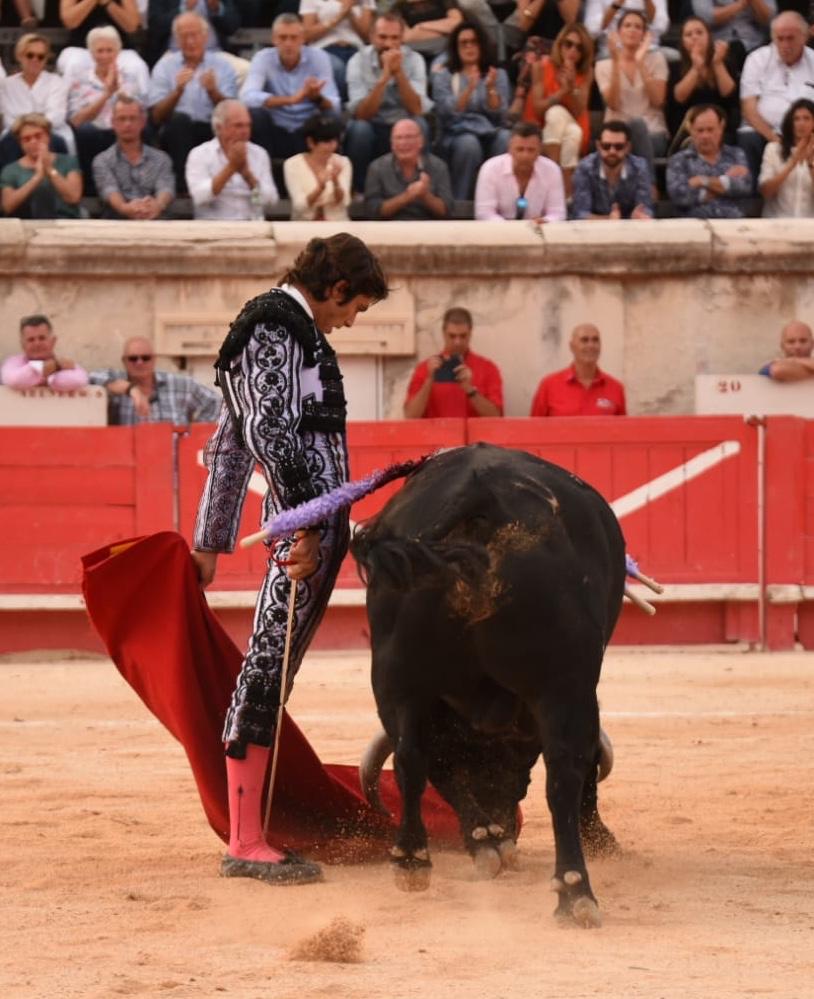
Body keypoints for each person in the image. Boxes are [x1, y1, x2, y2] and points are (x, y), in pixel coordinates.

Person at [189, 233, 390, 885]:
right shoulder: (272, 325)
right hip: (301, 535)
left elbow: (228, 443)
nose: (352, 319)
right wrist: (302, 526)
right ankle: (246, 841)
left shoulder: (293, 328)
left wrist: (212, 543)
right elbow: (261, 431)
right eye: (354, 305)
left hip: (314, 529)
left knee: (271, 673)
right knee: (265, 675)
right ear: (335, 288)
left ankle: (252, 831)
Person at [147, 11, 238, 189]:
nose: (190, 41)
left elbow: (232, 111)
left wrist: (213, 92)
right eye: (184, 36)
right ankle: (184, 186)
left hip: (213, 129)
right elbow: (156, 117)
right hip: (176, 132)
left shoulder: (223, 65)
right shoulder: (164, 66)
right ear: (176, 39)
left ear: (205, 36)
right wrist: (177, 91)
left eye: (194, 35)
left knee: (227, 125)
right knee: (179, 121)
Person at [344, 11, 433, 193]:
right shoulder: (357, 61)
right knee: (359, 129)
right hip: (372, 125)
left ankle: (418, 187)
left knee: (421, 125)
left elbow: (416, 109)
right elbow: (362, 113)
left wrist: (398, 73)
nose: (388, 44)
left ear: (402, 38)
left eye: (395, 38)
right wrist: (384, 78)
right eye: (382, 37)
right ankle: (360, 190)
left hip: (403, 124)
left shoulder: (415, 60)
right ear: (371, 37)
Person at [240, 14, 341, 169]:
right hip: (275, 129)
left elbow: (335, 105)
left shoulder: (319, 58)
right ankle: (263, 173)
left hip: (308, 129)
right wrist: (291, 100)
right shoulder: (263, 58)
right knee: (255, 115)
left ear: (303, 39)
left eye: (294, 38)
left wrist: (317, 98)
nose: (288, 43)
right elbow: (246, 97)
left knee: (330, 117)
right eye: (283, 37)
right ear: (274, 39)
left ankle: (329, 175)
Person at [430, 20, 510, 202]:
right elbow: (445, 112)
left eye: (473, 42)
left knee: (505, 138)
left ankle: (500, 201)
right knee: (469, 144)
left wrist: (490, 88)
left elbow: (500, 113)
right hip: (456, 133)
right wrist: (468, 89)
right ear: (455, 48)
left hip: (490, 131)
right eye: (463, 43)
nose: (469, 47)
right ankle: (461, 202)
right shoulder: (444, 76)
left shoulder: (497, 75)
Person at [738, 12, 814, 187]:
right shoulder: (756, 59)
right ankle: (755, 194)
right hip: (765, 131)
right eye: (780, 39)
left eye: (790, 38)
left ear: (804, 37)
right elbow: (749, 109)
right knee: (748, 136)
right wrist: (775, 139)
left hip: (807, 133)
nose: (785, 45)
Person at [67, 26, 146, 192]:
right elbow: (76, 120)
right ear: (91, 53)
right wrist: (106, 95)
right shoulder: (79, 80)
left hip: (120, 131)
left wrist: (117, 91)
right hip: (92, 133)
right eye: (99, 51)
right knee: (86, 131)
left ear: (118, 52)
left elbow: (139, 113)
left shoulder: (129, 79)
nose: (104, 56)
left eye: (109, 50)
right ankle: (90, 188)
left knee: (138, 129)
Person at [595, 9, 669, 172]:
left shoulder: (657, 60)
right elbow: (612, 104)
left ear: (644, 34)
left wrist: (640, 62)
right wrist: (615, 63)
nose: (632, 30)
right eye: (627, 25)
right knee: (622, 141)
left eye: (638, 27)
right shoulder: (603, 65)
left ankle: (648, 184)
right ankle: (649, 185)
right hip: (616, 135)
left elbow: (658, 100)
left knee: (638, 125)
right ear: (619, 32)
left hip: (653, 133)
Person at [525, 21, 594, 198]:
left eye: (579, 48)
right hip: (541, 126)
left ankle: (551, 183)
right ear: (560, 44)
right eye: (568, 44)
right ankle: (566, 195)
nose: (572, 51)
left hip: (574, 120)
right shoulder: (540, 67)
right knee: (570, 131)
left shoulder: (586, 72)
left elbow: (579, 111)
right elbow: (539, 108)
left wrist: (571, 88)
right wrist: (562, 92)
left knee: (564, 120)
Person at [88, 336, 222, 424]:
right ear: (124, 361)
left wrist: (195, 432)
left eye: (145, 358)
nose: (139, 363)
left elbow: (218, 403)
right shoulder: (118, 384)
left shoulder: (180, 384)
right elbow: (90, 378)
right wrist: (130, 389)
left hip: (174, 462)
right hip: (133, 463)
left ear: (154, 359)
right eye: (133, 358)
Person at [186, 99, 278, 220]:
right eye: (238, 125)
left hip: (251, 228)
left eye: (248, 125)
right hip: (212, 228)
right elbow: (200, 197)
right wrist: (231, 168)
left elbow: (270, 201)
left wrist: (248, 176)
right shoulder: (199, 154)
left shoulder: (259, 154)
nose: (245, 131)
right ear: (219, 128)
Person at [403, 306, 503, 418]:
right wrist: (429, 381)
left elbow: (496, 417)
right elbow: (410, 416)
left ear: (470, 333)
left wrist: (470, 389)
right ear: (444, 333)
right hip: (437, 435)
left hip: (476, 436)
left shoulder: (488, 369)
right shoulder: (425, 369)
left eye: (463, 336)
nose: (457, 342)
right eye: (452, 336)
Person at [92, 94, 176, 219]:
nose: (127, 124)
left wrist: (157, 205)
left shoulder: (161, 159)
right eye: (122, 119)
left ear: (142, 122)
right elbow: (109, 190)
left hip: (155, 220)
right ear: (113, 122)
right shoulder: (102, 161)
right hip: (117, 222)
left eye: (133, 118)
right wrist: (125, 208)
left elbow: (166, 187)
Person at [667, 103, 752, 217]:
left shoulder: (736, 155)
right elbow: (680, 196)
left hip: (732, 226)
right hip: (694, 228)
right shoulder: (679, 160)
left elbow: (744, 187)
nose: (705, 136)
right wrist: (724, 185)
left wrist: (703, 181)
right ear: (691, 130)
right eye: (700, 130)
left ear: (721, 127)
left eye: (710, 130)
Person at [0, 33, 71, 169]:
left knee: (48, 140)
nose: (35, 60)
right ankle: (9, 184)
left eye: (41, 56)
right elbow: (8, 119)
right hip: (15, 133)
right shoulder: (6, 85)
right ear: (20, 56)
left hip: (50, 132)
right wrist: (28, 131)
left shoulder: (57, 82)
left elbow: (56, 117)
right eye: (30, 55)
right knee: (10, 139)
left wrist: (33, 131)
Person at [474, 120, 566, 222]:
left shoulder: (552, 170)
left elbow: (558, 213)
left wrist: (546, 221)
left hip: (539, 232)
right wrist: (512, 229)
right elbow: (484, 213)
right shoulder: (490, 168)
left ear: (540, 149)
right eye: (520, 149)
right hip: (498, 233)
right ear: (510, 149)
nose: (525, 156)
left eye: (531, 150)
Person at [363, 115, 453, 219]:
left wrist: (425, 196)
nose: (403, 143)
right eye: (398, 138)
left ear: (421, 141)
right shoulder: (377, 167)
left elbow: (447, 211)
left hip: (428, 229)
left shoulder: (439, 166)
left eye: (409, 137)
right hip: (388, 229)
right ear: (392, 144)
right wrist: (407, 197)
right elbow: (372, 212)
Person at [667, 16, 740, 143]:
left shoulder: (725, 62)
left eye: (699, 32)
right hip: (687, 129)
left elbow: (729, 94)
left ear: (709, 37)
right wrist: (696, 68)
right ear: (683, 42)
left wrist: (717, 64)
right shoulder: (675, 66)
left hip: (720, 127)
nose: (695, 37)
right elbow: (679, 98)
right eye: (689, 34)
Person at [530, 323, 626, 416]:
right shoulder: (549, 386)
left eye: (595, 340)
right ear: (572, 346)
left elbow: (622, 430)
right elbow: (533, 429)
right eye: (584, 340)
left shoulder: (616, 388)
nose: (591, 345)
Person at [0, 113, 83, 218]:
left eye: (38, 136)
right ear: (20, 143)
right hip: (28, 224)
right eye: (27, 139)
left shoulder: (68, 161)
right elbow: (7, 207)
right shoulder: (10, 170)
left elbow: (73, 197)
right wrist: (37, 178)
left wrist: (50, 169)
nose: (33, 142)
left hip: (65, 222)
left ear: (48, 136)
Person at [571, 119, 653, 219]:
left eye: (619, 147)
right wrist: (608, 220)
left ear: (628, 147)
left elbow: (646, 208)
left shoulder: (639, 167)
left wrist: (640, 216)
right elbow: (580, 213)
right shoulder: (585, 168)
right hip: (593, 231)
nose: (612, 151)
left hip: (631, 230)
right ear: (598, 145)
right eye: (606, 146)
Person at [300, 0, 376, 100]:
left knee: (364, 69)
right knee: (338, 68)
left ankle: (356, 107)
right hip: (325, 48)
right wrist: (338, 17)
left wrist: (350, 13)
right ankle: (341, 107)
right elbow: (307, 35)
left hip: (356, 48)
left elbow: (367, 36)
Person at [283, 110, 351, 220]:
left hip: (338, 227)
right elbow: (299, 206)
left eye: (335, 140)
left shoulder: (343, 162)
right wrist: (320, 188)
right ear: (310, 142)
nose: (332, 145)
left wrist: (336, 182)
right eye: (326, 141)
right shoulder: (292, 164)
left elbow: (344, 202)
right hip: (304, 228)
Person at [1, 313, 89, 392]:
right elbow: (14, 381)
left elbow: (79, 381)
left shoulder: (65, 363)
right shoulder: (12, 363)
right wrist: (54, 367)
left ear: (53, 341)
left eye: (42, 338)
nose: (37, 343)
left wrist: (38, 374)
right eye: (31, 340)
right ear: (22, 345)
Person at [759, 98, 814, 217]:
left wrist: (810, 165)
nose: (801, 123)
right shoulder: (773, 149)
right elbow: (766, 191)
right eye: (796, 119)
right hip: (777, 223)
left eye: (806, 118)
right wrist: (792, 162)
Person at [146, 0, 241, 69]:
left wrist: (216, 8)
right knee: (161, 71)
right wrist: (183, 9)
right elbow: (155, 26)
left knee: (244, 70)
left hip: (215, 53)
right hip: (175, 53)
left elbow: (232, 27)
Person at [584, 0, 669, 59]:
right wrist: (617, 4)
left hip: (648, 50)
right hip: (612, 51)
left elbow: (661, 27)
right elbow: (591, 30)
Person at [690, 0, 775, 60]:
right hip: (719, 45)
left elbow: (771, 20)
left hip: (755, 43)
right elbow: (707, 17)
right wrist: (741, 4)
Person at [392, 0, 464, 61]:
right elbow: (405, 36)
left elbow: (457, 24)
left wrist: (421, 26)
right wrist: (444, 30)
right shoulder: (399, 6)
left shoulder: (445, 1)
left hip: (446, 50)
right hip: (414, 53)